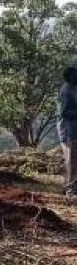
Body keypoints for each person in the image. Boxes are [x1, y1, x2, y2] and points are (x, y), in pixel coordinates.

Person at [57, 67, 77, 199]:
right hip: (68, 130)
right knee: (71, 160)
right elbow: (63, 112)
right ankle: (71, 190)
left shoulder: (73, 89)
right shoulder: (65, 91)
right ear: (70, 77)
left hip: (74, 129)